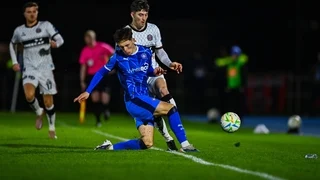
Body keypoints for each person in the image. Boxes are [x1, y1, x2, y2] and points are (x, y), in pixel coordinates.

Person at [74, 27, 198, 152]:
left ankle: (109, 147)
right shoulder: (117, 57)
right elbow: (101, 72)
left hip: (144, 99)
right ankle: (186, 145)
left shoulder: (146, 52)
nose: (125, 50)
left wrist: (155, 72)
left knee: (147, 143)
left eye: (127, 45)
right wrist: (88, 91)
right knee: (170, 108)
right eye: (122, 47)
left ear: (133, 40)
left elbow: (147, 71)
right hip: (134, 100)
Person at [126, 0, 184, 151]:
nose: (143, 18)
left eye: (145, 14)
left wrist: (170, 64)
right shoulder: (126, 33)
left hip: (155, 72)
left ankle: (179, 130)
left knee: (163, 90)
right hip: (139, 79)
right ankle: (168, 138)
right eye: (140, 15)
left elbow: (160, 52)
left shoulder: (153, 29)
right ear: (132, 14)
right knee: (154, 112)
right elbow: (121, 60)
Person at [9, 2, 64, 139]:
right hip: (30, 68)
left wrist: (55, 44)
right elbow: (12, 44)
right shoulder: (19, 31)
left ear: (37, 12)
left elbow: (60, 39)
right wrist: (15, 62)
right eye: (29, 12)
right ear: (24, 14)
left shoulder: (46, 26)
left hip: (46, 69)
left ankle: (51, 128)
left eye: (34, 11)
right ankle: (39, 112)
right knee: (29, 95)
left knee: (48, 102)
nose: (32, 14)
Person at [79, 30, 115, 127]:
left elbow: (114, 54)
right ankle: (98, 120)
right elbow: (83, 67)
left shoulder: (102, 46)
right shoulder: (85, 50)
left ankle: (106, 109)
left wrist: (112, 66)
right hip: (92, 76)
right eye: (86, 38)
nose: (88, 40)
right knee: (95, 98)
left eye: (89, 38)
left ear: (93, 38)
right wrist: (82, 80)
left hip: (104, 75)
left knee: (104, 98)